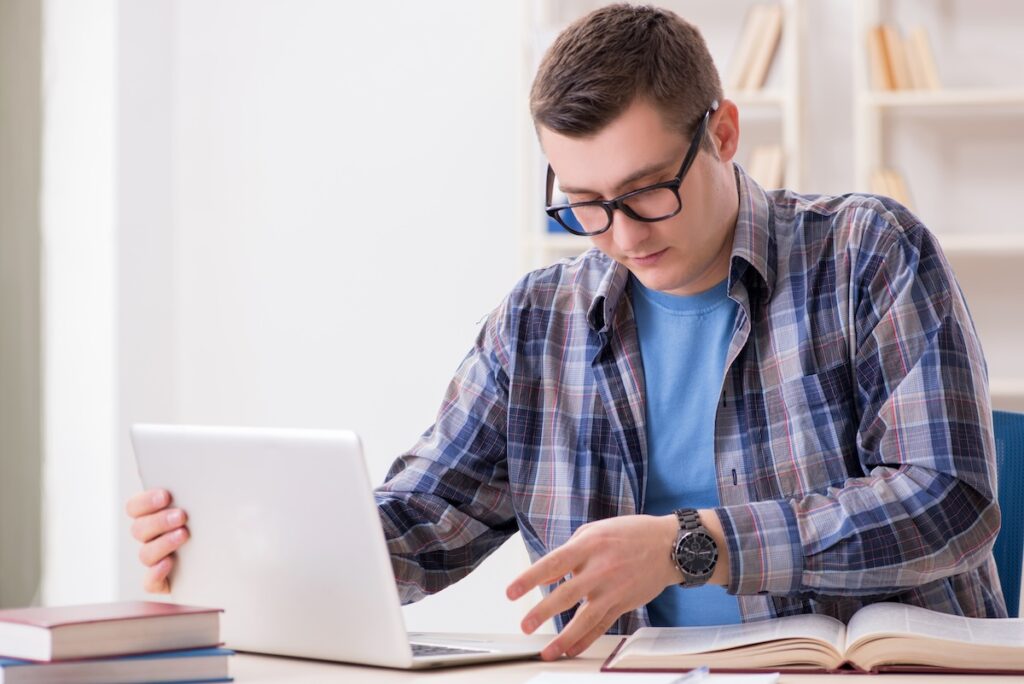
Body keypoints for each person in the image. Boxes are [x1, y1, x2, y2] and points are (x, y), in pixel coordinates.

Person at [126, 3, 1005, 663]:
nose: (621, 235)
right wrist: (245, 543)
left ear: (725, 132)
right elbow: (425, 521)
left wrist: (690, 545)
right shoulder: (536, 324)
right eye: (584, 205)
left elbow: (951, 499)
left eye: (647, 190)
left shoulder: (868, 253)